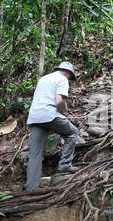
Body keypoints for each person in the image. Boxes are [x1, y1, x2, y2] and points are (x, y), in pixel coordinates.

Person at [25, 61, 79, 190]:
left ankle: (31, 188)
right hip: (50, 115)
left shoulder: (44, 78)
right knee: (72, 133)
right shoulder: (62, 79)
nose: (69, 80)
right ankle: (65, 165)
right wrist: (65, 111)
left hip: (35, 117)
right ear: (67, 73)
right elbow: (59, 100)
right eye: (70, 77)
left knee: (35, 154)